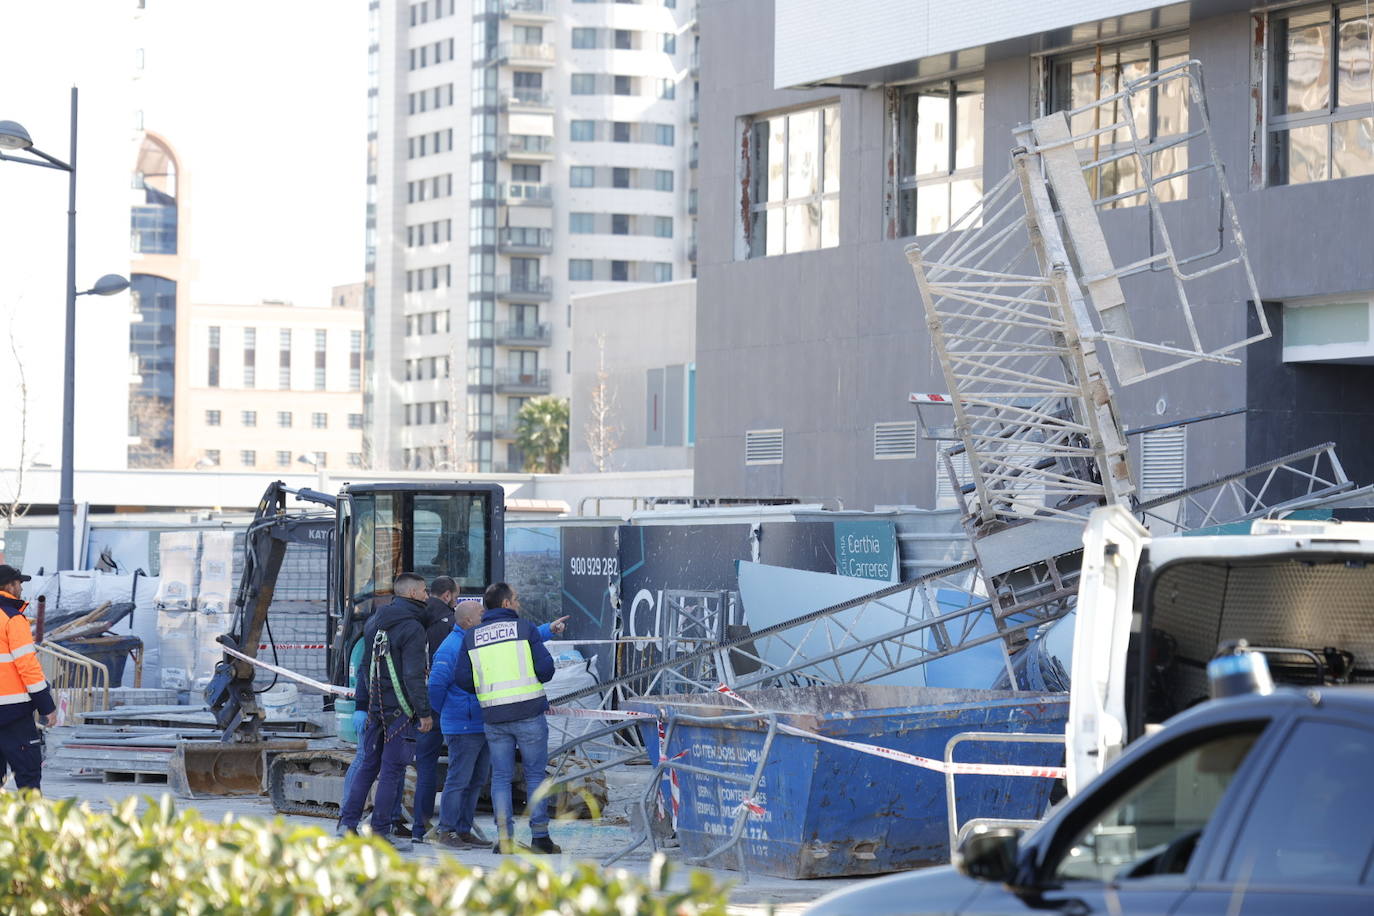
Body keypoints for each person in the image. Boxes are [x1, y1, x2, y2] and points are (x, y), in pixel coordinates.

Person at [429, 600, 568, 849]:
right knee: (460, 780)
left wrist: (548, 629)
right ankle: (447, 830)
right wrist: (442, 715)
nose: (485, 616)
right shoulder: (452, 646)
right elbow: (438, 684)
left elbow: (512, 644)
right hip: (465, 723)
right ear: (469, 621)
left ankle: (470, 831)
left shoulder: (473, 638)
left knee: (483, 780)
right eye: (480, 613)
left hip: (487, 719)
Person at [338, 572, 434, 850]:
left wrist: (362, 705)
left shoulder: (374, 622)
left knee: (368, 765)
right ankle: (380, 832)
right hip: (401, 712)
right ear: (414, 594)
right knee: (391, 771)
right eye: (425, 592)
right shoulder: (413, 628)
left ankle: (347, 824)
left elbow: (366, 667)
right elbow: (413, 676)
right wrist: (424, 712)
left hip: (375, 710)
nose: (427, 597)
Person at [410, 575, 459, 840]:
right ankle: (453, 828)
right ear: (448, 596)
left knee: (423, 766)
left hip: (418, 702)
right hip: (447, 705)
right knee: (460, 767)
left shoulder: (414, 619)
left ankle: (419, 826)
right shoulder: (453, 625)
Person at [0, 566, 56, 792]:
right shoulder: (12, 618)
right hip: (13, 713)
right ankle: (30, 826)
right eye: (19, 583)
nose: (21, 587)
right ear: (9, 586)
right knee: (28, 777)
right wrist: (47, 706)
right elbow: (27, 666)